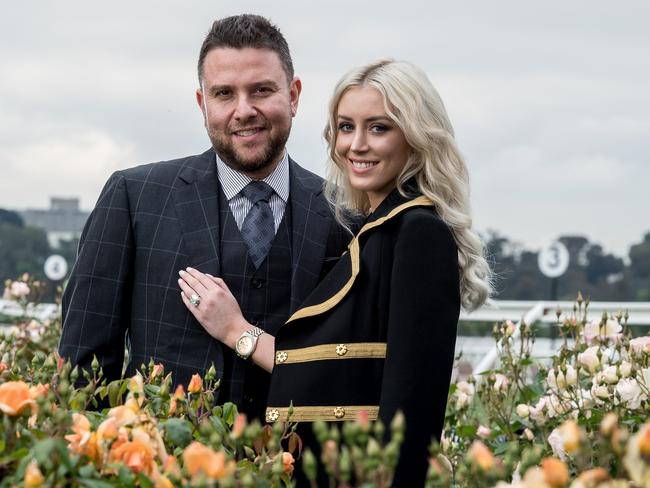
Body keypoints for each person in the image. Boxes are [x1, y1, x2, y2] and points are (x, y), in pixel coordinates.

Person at [178, 59, 491, 486]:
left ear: (416, 137)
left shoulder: (417, 232)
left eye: (379, 128)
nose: (356, 145)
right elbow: (343, 373)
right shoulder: (376, 230)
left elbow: (411, 410)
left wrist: (238, 332)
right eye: (346, 127)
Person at [58, 14, 351, 421]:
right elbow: (82, 373)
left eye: (262, 90)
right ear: (203, 103)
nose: (244, 110)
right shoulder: (134, 197)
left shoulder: (345, 214)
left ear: (294, 95)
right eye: (224, 93)